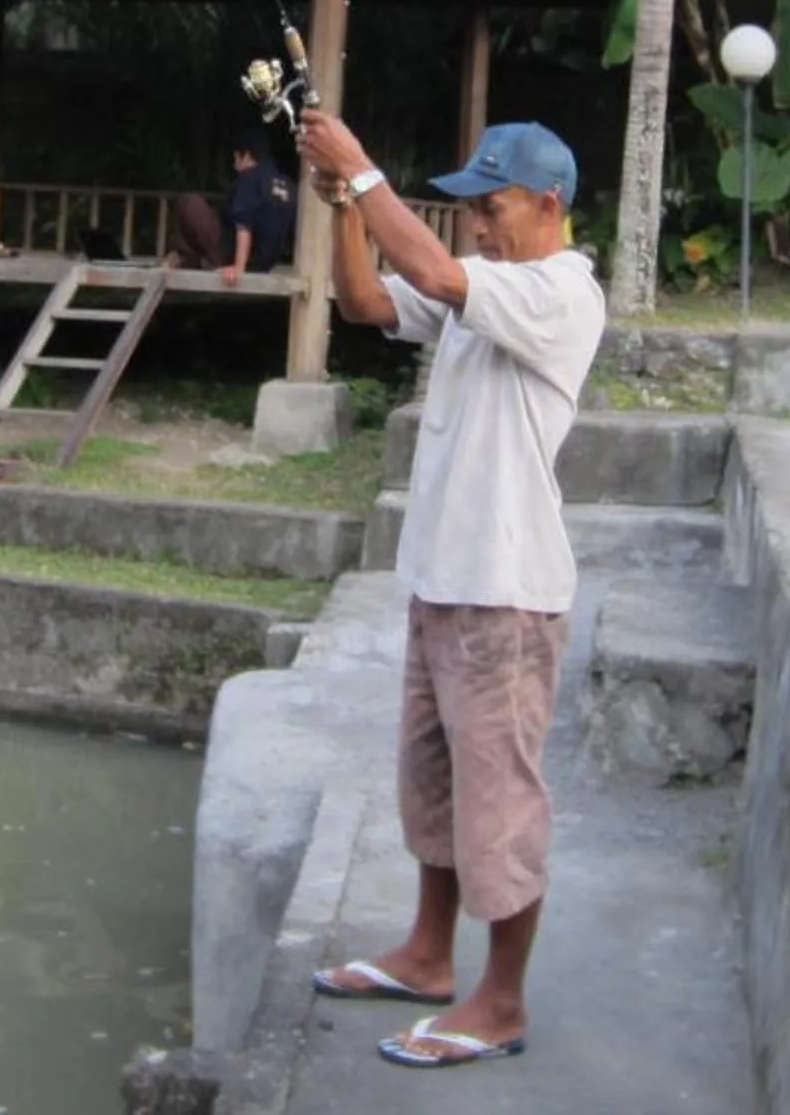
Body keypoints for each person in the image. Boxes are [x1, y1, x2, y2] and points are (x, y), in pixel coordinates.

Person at [295, 109, 606, 1072]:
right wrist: (347, 206)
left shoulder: (556, 291)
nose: (477, 224)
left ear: (549, 206)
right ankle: (430, 957)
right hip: (445, 580)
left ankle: (501, 1002)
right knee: (433, 784)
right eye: (470, 209)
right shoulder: (489, 293)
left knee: (500, 803)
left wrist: (362, 167)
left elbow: (431, 273)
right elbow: (365, 305)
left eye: (493, 206)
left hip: (508, 596)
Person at [163, 140, 298, 282]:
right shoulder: (289, 186)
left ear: (246, 156)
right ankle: (185, 256)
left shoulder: (250, 178)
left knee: (189, 202)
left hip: (236, 256)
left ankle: (193, 258)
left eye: (236, 159)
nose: (235, 165)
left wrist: (238, 268)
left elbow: (243, 223)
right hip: (265, 263)